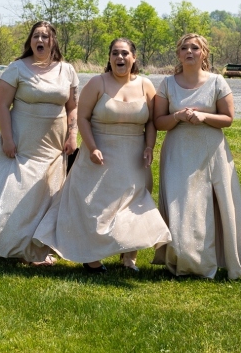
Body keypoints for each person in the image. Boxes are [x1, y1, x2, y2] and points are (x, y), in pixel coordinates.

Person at [33, 38, 171, 272]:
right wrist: (92, 146)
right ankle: (91, 257)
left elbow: (151, 122)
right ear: (109, 58)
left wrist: (149, 147)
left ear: (134, 58)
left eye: (125, 53)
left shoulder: (146, 86)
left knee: (134, 203)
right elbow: (83, 117)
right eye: (115, 53)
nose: (120, 58)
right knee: (95, 206)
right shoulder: (97, 83)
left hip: (133, 156)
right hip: (99, 152)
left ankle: (129, 258)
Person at [0, 21, 78, 264]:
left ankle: (38, 248)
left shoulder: (67, 70)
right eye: (36, 36)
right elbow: (2, 105)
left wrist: (72, 135)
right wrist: (7, 138)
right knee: (15, 189)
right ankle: (3, 242)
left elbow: (72, 108)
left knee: (46, 192)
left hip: (53, 143)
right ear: (30, 41)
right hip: (21, 141)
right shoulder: (18, 68)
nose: (40, 40)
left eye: (46, 37)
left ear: (53, 42)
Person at [152, 33, 241, 279]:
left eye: (195, 48)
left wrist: (204, 117)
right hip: (178, 153)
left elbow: (228, 119)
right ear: (178, 54)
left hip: (211, 152)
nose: (189, 51)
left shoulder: (217, 82)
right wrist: (178, 117)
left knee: (217, 205)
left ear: (204, 53)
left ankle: (227, 258)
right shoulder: (167, 84)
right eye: (184, 48)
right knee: (182, 205)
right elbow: (158, 122)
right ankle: (187, 260)